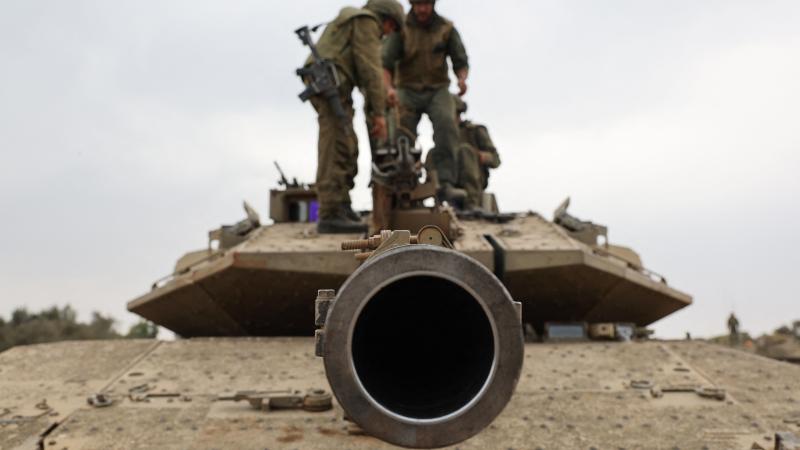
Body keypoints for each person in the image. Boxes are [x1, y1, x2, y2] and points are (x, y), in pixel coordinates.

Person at [307, 0, 405, 234]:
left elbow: (364, 74)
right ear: (387, 20)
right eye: (392, 28)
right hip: (329, 86)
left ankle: (340, 206)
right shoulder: (367, 22)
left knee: (347, 143)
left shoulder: (355, 19)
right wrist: (379, 114)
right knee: (337, 145)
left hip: (333, 85)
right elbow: (369, 69)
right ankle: (330, 213)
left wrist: (383, 95)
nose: (388, 34)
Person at [382, 0, 469, 204]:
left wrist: (462, 78)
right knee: (400, 132)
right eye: (418, 4)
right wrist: (389, 89)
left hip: (437, 89)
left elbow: (460, 60)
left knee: (447, 125)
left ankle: (445, 183)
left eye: (426, 4)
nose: (422, 9)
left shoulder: (446, 28)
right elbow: (385, 63)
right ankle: (402, 185)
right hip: (406, 88)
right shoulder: (400, 27)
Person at [453, 95, 500, 210]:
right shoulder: (443, 136)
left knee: (465, 151)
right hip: (451, 184)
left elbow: (495, 160)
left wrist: (479, 155)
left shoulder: (474, 131)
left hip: (474, 182)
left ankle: (471, 203)